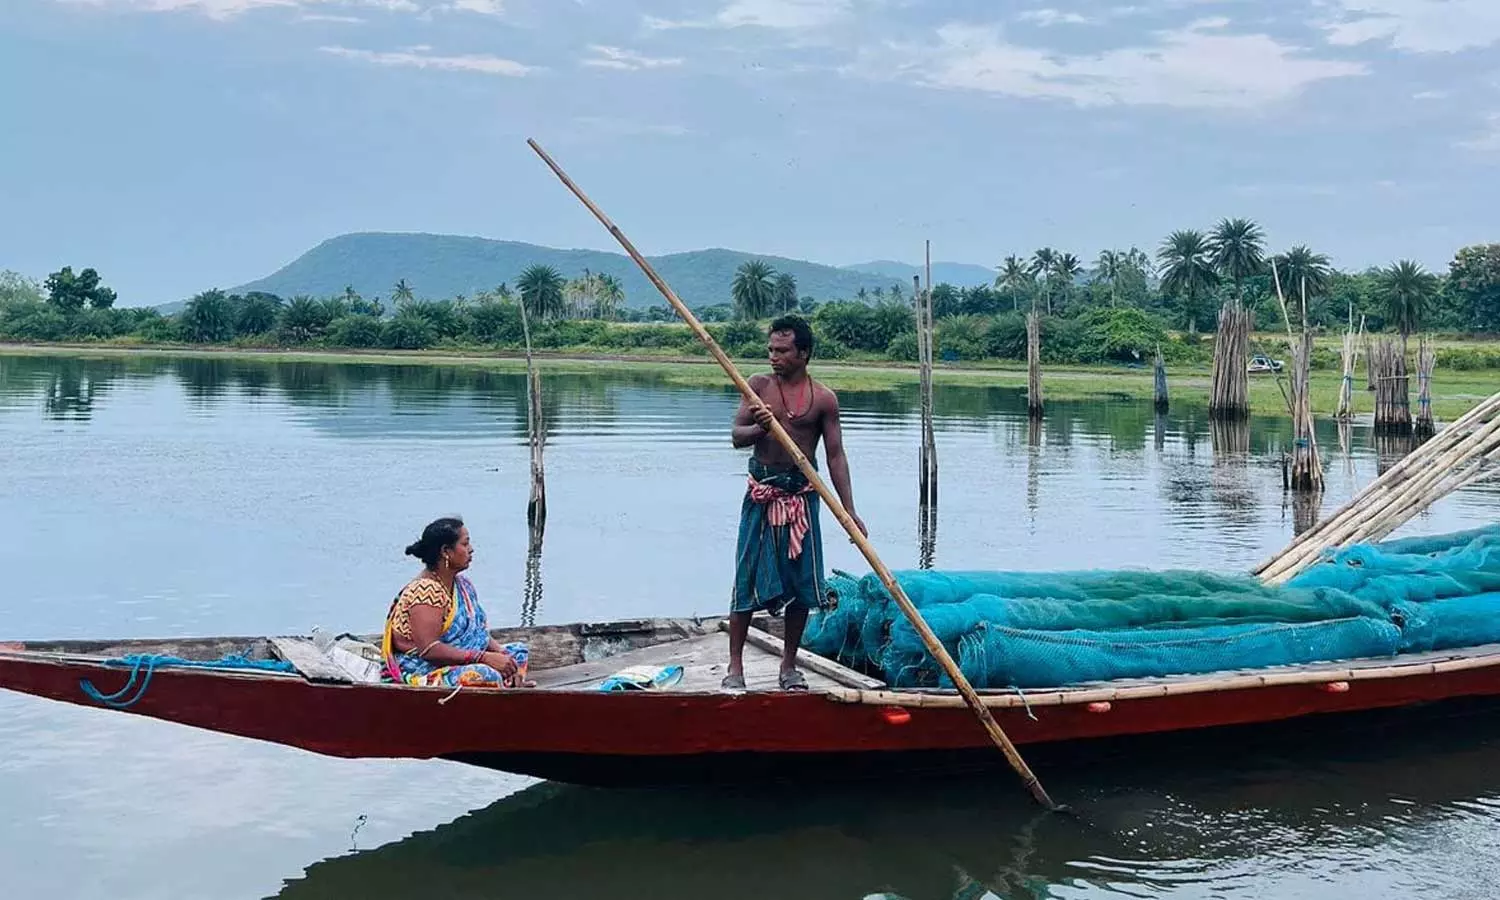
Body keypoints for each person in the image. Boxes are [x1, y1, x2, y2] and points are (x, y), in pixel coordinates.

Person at [725, 314, 865, 692]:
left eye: (783, 351)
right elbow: (737, 436)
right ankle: (735, 667)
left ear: (803, 353)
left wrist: (849, 511)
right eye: (771, 349)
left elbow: (835, 455)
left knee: (802, 584)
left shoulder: (824, 399)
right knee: (746, 577)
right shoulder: (758, 387)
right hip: (763, 495)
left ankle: (788, 666)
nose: (774, 356)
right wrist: (760, 427)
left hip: (802, 496)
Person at [381, 516, 534, 688]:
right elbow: (429, 650)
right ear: (446, 551)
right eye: (465, 544)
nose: (471, 549)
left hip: (462, 661)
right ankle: (502, 688)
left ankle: (511, 685)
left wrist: (502, 656)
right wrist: (482, 657)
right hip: (424, 669)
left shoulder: (463, 585)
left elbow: (479, 633)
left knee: (518, 652)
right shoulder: (425, 592)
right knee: (484, 675)